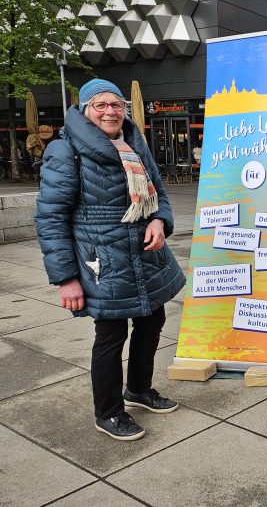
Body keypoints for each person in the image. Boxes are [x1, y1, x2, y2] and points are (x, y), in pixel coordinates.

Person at [35, 79, 185, 441]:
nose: (110, 111)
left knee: (153, 319)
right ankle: (108, 412)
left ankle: (138, 389)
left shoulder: (135, 142)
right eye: (100, 105)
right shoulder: (65, 150)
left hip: (146, 253)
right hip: (103, 257)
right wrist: (67, 278)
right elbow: (51, 217)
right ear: (86, 111)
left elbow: (158, 193)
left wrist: (161, 221)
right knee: (111, 333)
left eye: (116, 105)